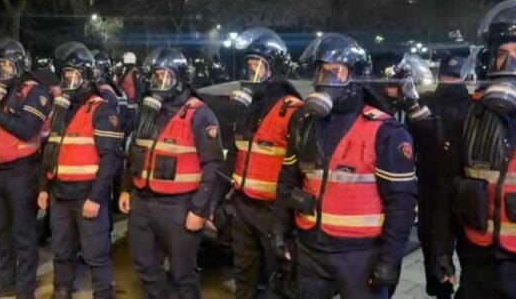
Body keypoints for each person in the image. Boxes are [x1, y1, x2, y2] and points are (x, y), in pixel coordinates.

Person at [272, 33, 417, 299]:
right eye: (320, 71)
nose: (324, 80)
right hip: (310, 248)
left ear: (356, 77)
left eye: (335, 71)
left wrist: (390, 259)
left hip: (360, 255)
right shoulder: (305, 124)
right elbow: (288, 180)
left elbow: (401, 203)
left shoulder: (385, 131)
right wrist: (280, 230)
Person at [119, 46, 224, 299]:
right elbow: (135, 152)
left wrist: (198, 210)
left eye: (165, 76)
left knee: (182, 274)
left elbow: (213, 165)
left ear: (180, 78)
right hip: (142, 201)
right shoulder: (149, 111)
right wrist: (125, 188)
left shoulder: (199, 114)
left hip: (179, 206)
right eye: (155, 76)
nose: (158, 82)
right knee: (145, 266)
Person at [432, 0, 516, 299]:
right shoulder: (469, 114)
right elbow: (446, 189)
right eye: (502, 55)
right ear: (488, 60)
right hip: (477, 259)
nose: (509, 65)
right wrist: (441, 250)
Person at [214, 28, 302, 299]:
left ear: (275, 69)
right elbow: (234, 155)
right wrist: (214, 200)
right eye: (250, 66)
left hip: (274, 211)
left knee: (277, 281)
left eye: (259, 66)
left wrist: (285, 221)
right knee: (244, 277)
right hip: (242, 207)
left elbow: (297, 172)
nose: (252, 73)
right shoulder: (248, 107)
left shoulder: (293, 110)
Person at [38, 42, 124, 299]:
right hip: (60, 193)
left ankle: (103, 294)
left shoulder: (101, 108)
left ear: (87, 77)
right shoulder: (61, 109)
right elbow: (49, 151)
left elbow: (110, 159)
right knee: (61, 248)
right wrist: (43, 188)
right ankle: (61, 289)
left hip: (87, 194)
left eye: (74, 75)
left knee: (96, 253)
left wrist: (95, 198)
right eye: (66, 76)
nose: (69, 81)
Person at [0, 37, 51, 299]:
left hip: (22, 172)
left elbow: (26, 129)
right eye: (0, 65)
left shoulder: (35, 93)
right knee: (1, 229)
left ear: (18, 64)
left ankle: (25, 287)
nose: (3, 70)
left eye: (7, 64)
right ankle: (6, 280)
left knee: (23, 231)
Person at [400, 48, 471, 299]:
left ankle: (443, 288)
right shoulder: (472, 105)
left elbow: (412, 140)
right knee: (454, 242)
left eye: (451, 76)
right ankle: (456, 286)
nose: (449, 80)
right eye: (449, 75)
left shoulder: (425, 102)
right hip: (459, 184)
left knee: (435, 240)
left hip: (434, 182)